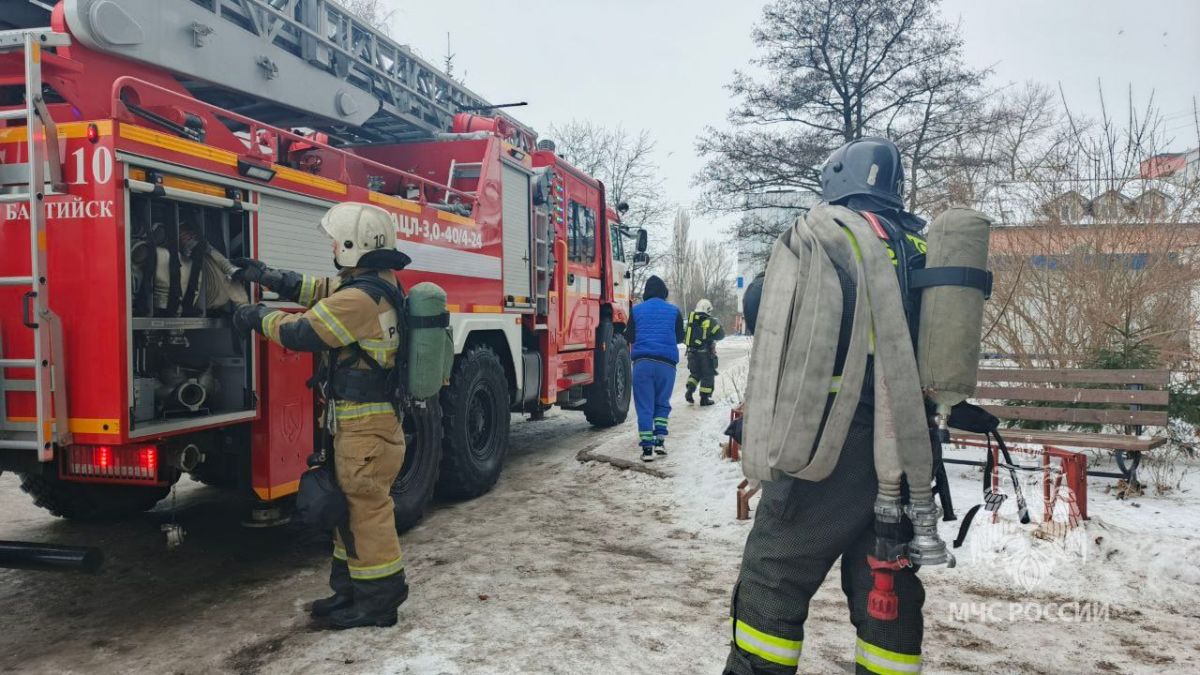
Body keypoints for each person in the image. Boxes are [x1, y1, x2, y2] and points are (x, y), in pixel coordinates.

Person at [726, 138, 935, 674]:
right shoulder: (921, 244)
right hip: (909, 448)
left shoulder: (826, 234)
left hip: (829, 443)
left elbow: (766, 306)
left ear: (837, 179)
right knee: (884, 581)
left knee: (774, 573)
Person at [230, 202, 410, 630]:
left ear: (353, 244)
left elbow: (303, 331)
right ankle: (350, 591)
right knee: (348, 509)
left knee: (366, 511)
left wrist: (257, 316)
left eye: (335, 240)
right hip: (362, 424)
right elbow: (319, 289)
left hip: (365, 428)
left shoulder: (360, 299)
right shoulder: (377, 284)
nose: (331, 246)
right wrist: (268, 276)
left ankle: (378, 602)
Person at [624, 275, 684, 462]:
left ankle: (647, 449)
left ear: (646, 292)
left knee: (644, 407)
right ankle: (660, 441)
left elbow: (629, 336)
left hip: (642, 364)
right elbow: (680, 337)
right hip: (666, 365)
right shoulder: (674, 311)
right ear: (664, 292)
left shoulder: (636, 310)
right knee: (662, 403)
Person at [684, 299, 726, 406]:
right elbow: (721, 335)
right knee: (708, 374)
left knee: (695, 374)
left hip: (691, 353)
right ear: (707, 309)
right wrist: (711, 336)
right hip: (705, 354)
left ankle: (689, 391)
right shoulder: (710, 321)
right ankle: (704, 399)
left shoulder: (691, 321)